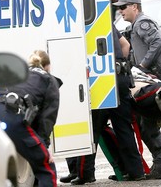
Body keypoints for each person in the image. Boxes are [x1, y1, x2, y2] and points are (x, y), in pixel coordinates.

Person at [60, 24, 146, 185]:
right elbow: (125, 45)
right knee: (123, 128)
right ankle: (136, 171)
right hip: (120, 78)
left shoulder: (81, 24)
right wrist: (118, 66)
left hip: (100, 83)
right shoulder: (105, 21)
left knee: (92, 130)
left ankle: (85, 174)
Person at [112, 0, 161, 179]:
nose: (120, 11)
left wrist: (143, 66)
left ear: (134, 7)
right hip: (147, 79)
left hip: (152, 79)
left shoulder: (142, 23)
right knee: (145, 122)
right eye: (119, 8)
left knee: (147, 122)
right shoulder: (134, 26)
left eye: (123, 7)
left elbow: (159, 43)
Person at [0, 50, 61, 187]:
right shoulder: (49, 80)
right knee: (46, 166)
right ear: (47, 66)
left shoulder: (17, 74)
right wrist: (44, 146)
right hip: (14, 117)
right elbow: (47, 119)